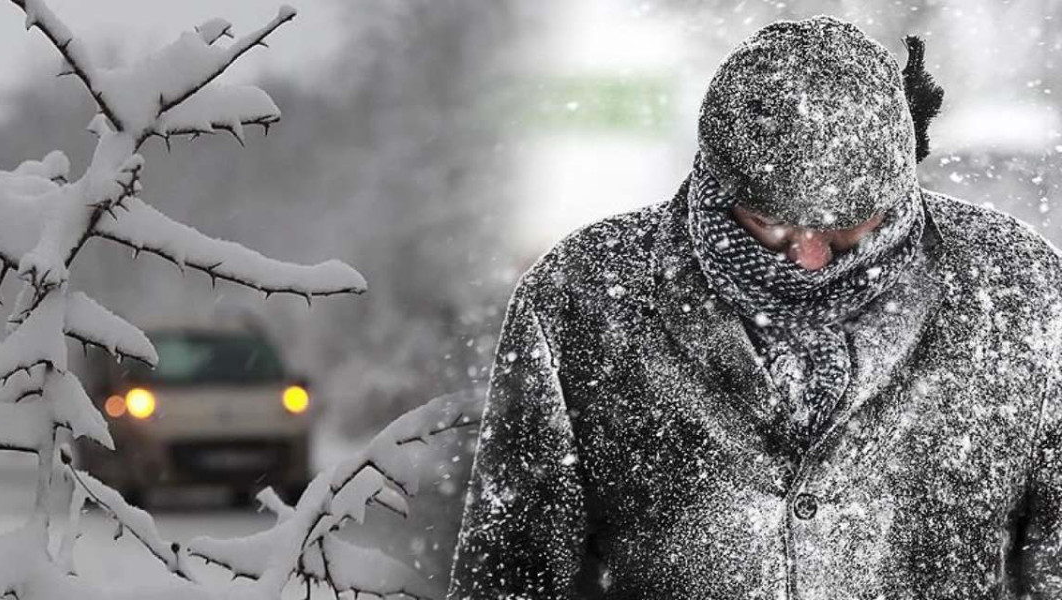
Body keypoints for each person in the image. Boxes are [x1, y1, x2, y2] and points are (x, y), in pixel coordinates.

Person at [447, 15, 1062, 600]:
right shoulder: (583, 295)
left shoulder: (1016, 287)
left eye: (847, 226)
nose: (811, 259)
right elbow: (510, 574)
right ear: (718, 185)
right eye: (771, 222)